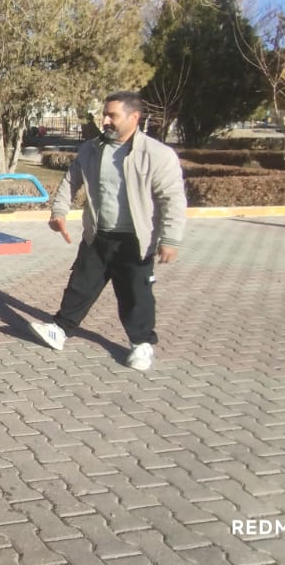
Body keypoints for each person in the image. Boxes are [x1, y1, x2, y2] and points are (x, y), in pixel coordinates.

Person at [27, 91, 186, 371]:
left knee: (135, 295)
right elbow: (71, 179)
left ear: (134, 117)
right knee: (80, 286)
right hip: (98, 234)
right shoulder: (92, 149)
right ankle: (60, 330)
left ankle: (141, 345)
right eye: (105, 114)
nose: (105, 121)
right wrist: (59, 212)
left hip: (135, 241)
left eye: (112, 115)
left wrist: (170, 239)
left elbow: (172, 198)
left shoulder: (157, 155)